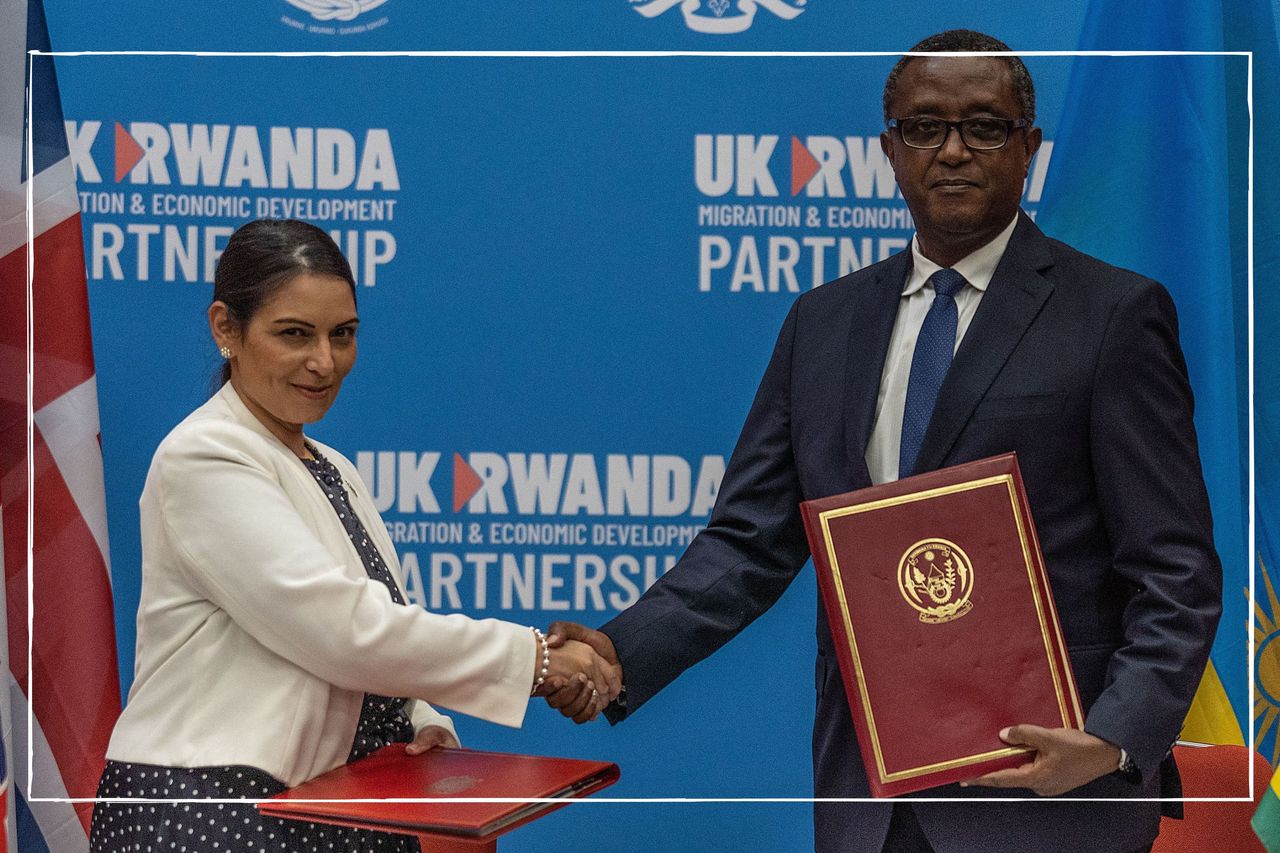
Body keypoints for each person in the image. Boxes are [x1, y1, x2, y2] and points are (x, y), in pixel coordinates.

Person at [544, 29, 1223, 853]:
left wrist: (1114, 739)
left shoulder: (1113, 316)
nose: (953, 151)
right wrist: (620, 647)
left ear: (1030, 148)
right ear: (889, 149)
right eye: (925, 127)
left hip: (1053, 791)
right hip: (871, 799)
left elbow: (1173, 566)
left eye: (985, 126)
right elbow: (749, 540)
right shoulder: (821, 324)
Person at [89, 219, 618, 853]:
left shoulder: (333, 466)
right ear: (226, 328)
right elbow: (342, 631)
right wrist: (536, 660)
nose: (324, 361)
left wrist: (417, 725)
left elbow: (372, 640)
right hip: (210, 810)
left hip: (326, 811)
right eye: (294, 334)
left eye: (343, 335)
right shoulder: (204, 456)